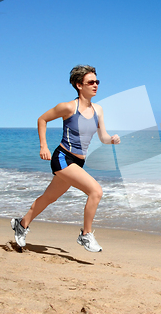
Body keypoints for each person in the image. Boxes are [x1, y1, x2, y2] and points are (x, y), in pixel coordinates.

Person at [11, 65, 120, 252]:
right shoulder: (68, 107)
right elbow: (42, 119)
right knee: (96, 191)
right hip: (62, 157)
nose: (95, 85)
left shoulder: (98, 110)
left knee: (49, 198)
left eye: (97, 82)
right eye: (90, 82)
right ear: (79, 85)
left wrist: (111, 140)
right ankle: (86, 235)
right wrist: (43, 146)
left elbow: (102, 137)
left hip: (78, 162)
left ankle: (21, 224)